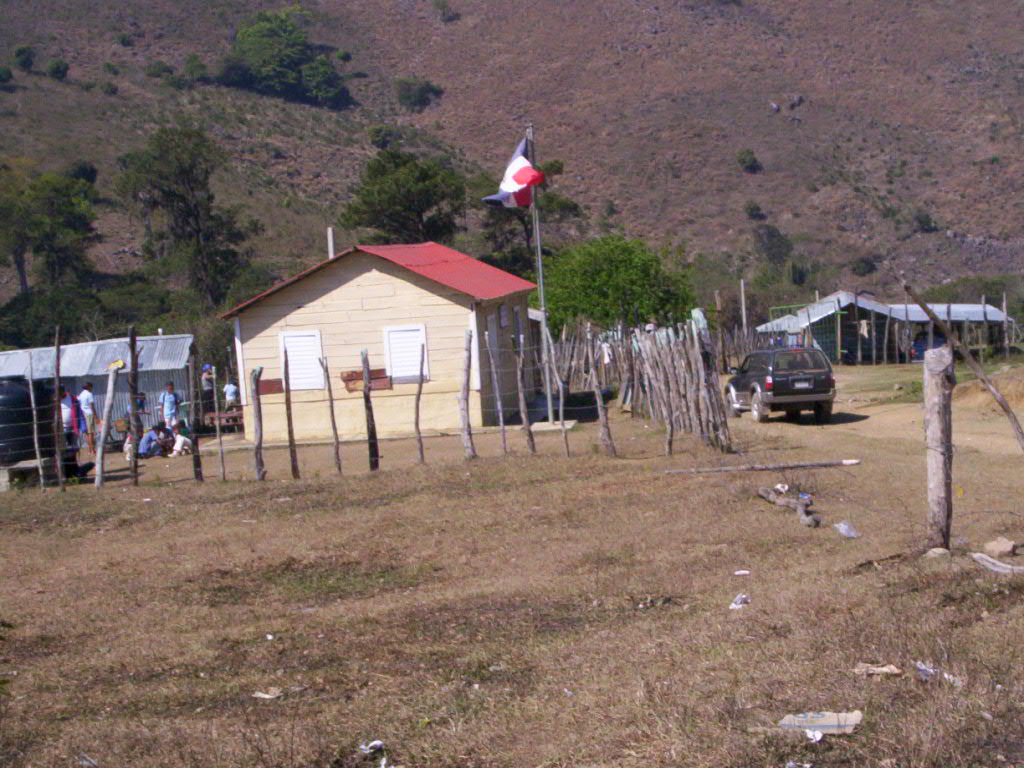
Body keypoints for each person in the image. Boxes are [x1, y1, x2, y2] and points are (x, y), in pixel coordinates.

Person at [78, 382, 96, 454]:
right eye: (91, 387)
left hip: (82, 413)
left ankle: (89, 450)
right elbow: (91, 406)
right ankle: (93, 450)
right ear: (89, 387)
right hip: (89, 413)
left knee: (86, 433)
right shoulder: (89, 394)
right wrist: (95, 415)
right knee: (91, 433)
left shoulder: (81, 394)